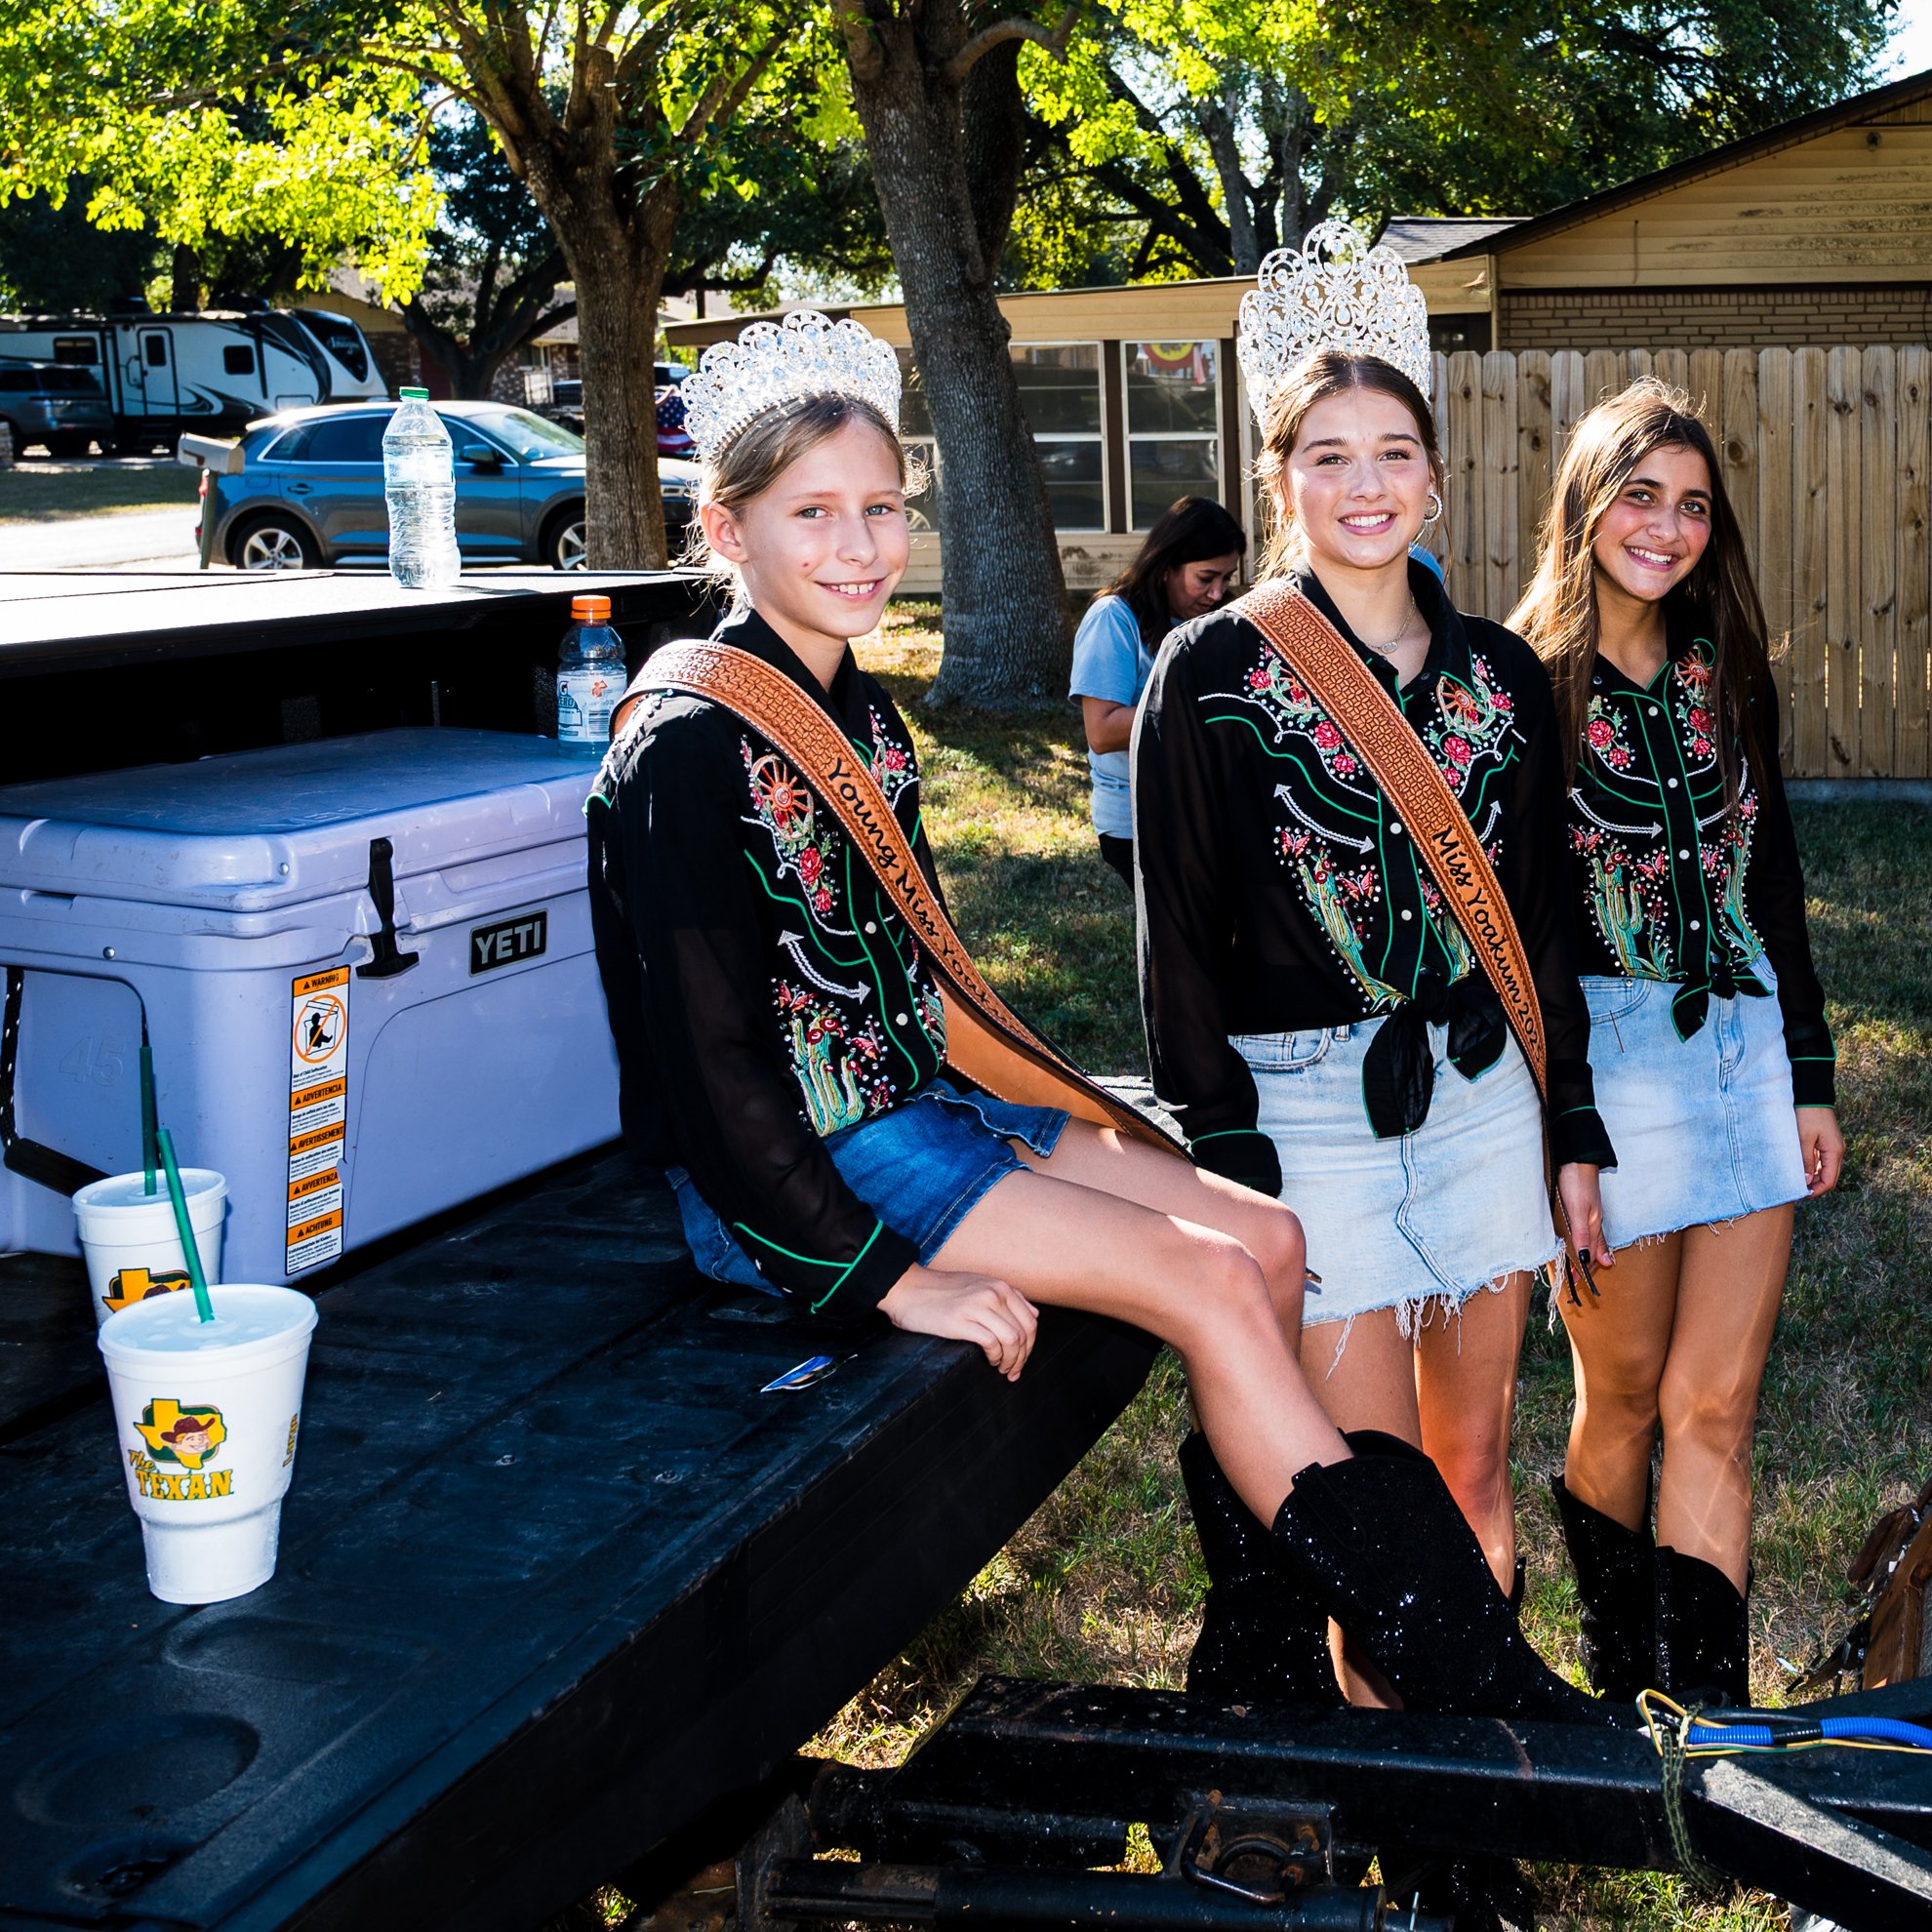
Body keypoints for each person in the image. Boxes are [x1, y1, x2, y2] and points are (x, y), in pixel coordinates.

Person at [585, 308, 1606, 1728]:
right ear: (728, 527)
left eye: (883, 507)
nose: (860, 546)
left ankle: (1255, 1658)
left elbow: (917, 993)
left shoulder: (864, 722)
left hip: (924, 1115)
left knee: (1266, 1237)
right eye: (813, 513)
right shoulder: (686, 745)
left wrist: (1063, 1116)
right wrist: (888, 1279)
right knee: (1202, 1282)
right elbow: (711, 1081)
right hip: (809, 1179)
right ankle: (1464, 1661)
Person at [1134, 224, 1615, 1709]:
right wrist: (1228, 1156)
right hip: (1306, 1116)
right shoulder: (1209, 669)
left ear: (1436, 478)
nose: (1365, 485)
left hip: (1481, 1103)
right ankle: (1398, 1810)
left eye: (1393, 452)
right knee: (1373, 1497)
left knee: (1469, 1461)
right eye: (1328, 456)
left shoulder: (1503, 677)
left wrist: (1571, 1130)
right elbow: (1179, 940)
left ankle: (1473, 1811)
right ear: (1281, 479)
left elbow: (1544, 921)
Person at [1509, 380, 1844, 1709]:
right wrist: (1568, 1127)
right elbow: (1525, 935)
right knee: (1629, 1397)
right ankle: (1612, 1673)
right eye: (1640, 494)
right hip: (1610, 1062)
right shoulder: (1522, 683)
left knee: (1719, 1406)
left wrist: (1810, 1079)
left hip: (1745, 1050)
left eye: (1694, 503)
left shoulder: (1726, 668)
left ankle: (1706, 1721)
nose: (1668, 526)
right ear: (1586, 504)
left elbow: (1777, 885)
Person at [1069, 498, 1245, 886]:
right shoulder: (1113, 618)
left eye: (1226, 578)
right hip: (1139, 823)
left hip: (1205, 817)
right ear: (1167, 567)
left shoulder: (1211, 622)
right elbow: (1101, 731)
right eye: (1206, 578)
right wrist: (1204, 708)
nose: (1217, 593)